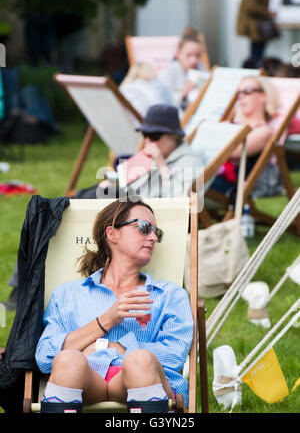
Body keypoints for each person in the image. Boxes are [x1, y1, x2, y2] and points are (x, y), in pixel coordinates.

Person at [35, 199, 194, 413]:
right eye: (144, 228)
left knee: (140, 361)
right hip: (87, 381)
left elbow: (175, 356)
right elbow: (45, 357)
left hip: (145, 380)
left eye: (157, 232)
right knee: (67, 360)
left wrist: (117, 347)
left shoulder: (169, 295)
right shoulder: (68, 294)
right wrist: (107, 320)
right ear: (112, 234)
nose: (154, 237)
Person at [96, 104, 205, 200]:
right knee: (91, 192)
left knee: (93, 195)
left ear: (174, 136)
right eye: (145, 135)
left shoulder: (191, 162)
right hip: (130, 199)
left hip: (144, 210)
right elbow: (129, 187)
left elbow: (175, 200)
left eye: (154, 136)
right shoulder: (155, 156)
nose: (147, 141)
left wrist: (162, 165)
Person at [209, 75, 279, 200]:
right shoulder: (229, 124)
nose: (241, 96)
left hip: (227, 185)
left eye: (247, 92)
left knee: (183, 182)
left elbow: (233, 151)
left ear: (264, 96)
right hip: (207, 177)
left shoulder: (264, 131)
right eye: (239, 93)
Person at [158, 28, 208, 112]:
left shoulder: (202, 71)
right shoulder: (168, 73)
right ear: (178, 54)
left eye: (197, 56)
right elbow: (161, 103)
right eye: (188, 55)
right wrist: (182, 94)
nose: (194, 60)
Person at [237, 0, 277, 67]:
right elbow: (251, 7)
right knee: (256, 54)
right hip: (256, 28)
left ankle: (256, 69)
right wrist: (267, 12)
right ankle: (255, 71)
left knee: (257, 52)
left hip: (258, 28)